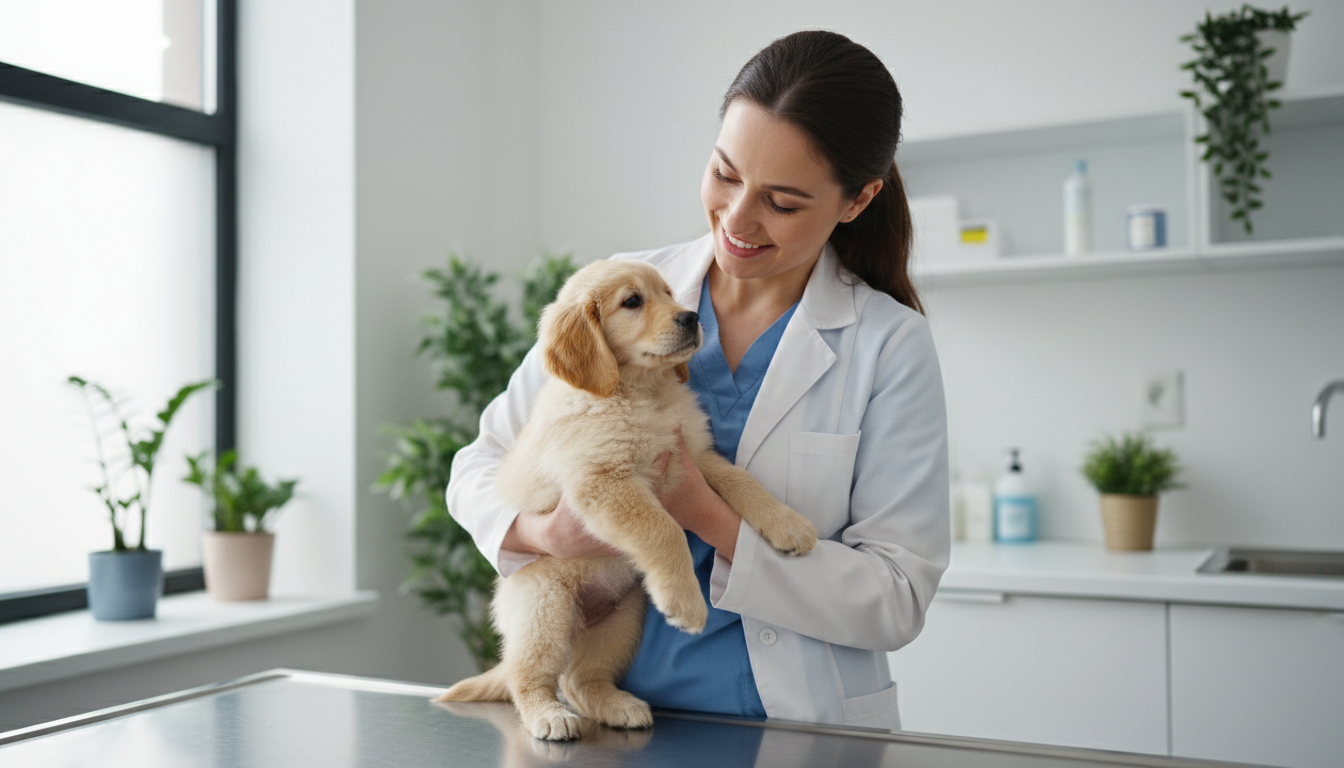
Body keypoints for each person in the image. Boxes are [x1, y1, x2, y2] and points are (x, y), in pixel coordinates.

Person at [446, 29, 949, 732]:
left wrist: (705, 512)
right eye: (725, 173)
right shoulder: (628, 290)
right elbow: (479, 464)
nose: (737, 219)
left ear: (857, 200)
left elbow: (894, 597)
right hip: (616, 721)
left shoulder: (889, 344)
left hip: (792, 725)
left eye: (783, 201)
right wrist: (545, 532)